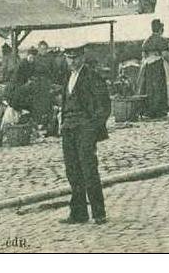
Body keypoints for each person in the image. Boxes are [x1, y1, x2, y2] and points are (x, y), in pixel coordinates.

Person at [58, 46, 111, 225]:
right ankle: (78, 213)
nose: (72, 61)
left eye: (75, 57)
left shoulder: (92, 77)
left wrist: (92, 128)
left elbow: (104, 106)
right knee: (72, 171)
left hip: (85, 128)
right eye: (69, 58)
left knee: (89, 170)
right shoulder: (67, 77)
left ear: (82, 57)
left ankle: (99, 213)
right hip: (68, 128)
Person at [136, 19, 169, 119]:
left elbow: (143, 54)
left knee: (148, 87)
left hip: (147, 65)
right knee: (159, 87)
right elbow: (165, 54)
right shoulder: (162, 40)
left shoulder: (147, 40)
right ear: (160, 29)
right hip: (158, 65)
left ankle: (148, 110)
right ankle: (159, 110)